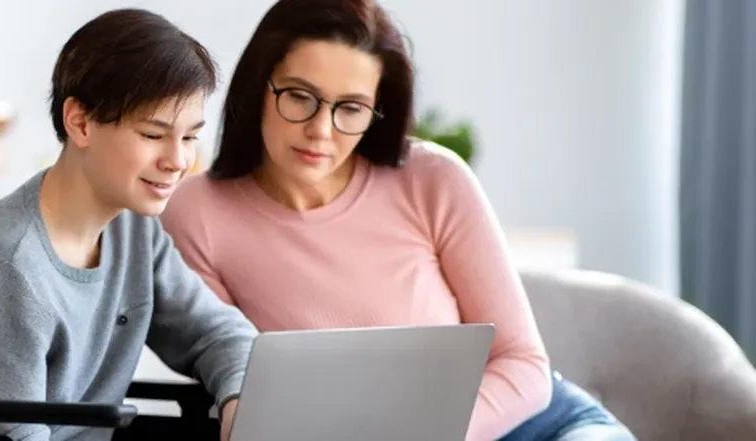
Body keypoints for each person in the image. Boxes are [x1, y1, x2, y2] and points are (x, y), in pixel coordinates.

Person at [159, 0, 636, 440]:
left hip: (537, 424)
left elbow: (524, 364)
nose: (321, 130)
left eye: (350, 108)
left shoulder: (432, 177)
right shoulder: (197, 214)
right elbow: (234, 372)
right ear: (259, 85)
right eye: (300, 96)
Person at [0, 8, 257, 441]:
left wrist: (241, 402)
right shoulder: (8, 265)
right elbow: (16, 436)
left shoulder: (134, 230)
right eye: (152, 134)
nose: (178, 161)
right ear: (80, 122)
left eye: (188, 137)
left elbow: (219, 333)